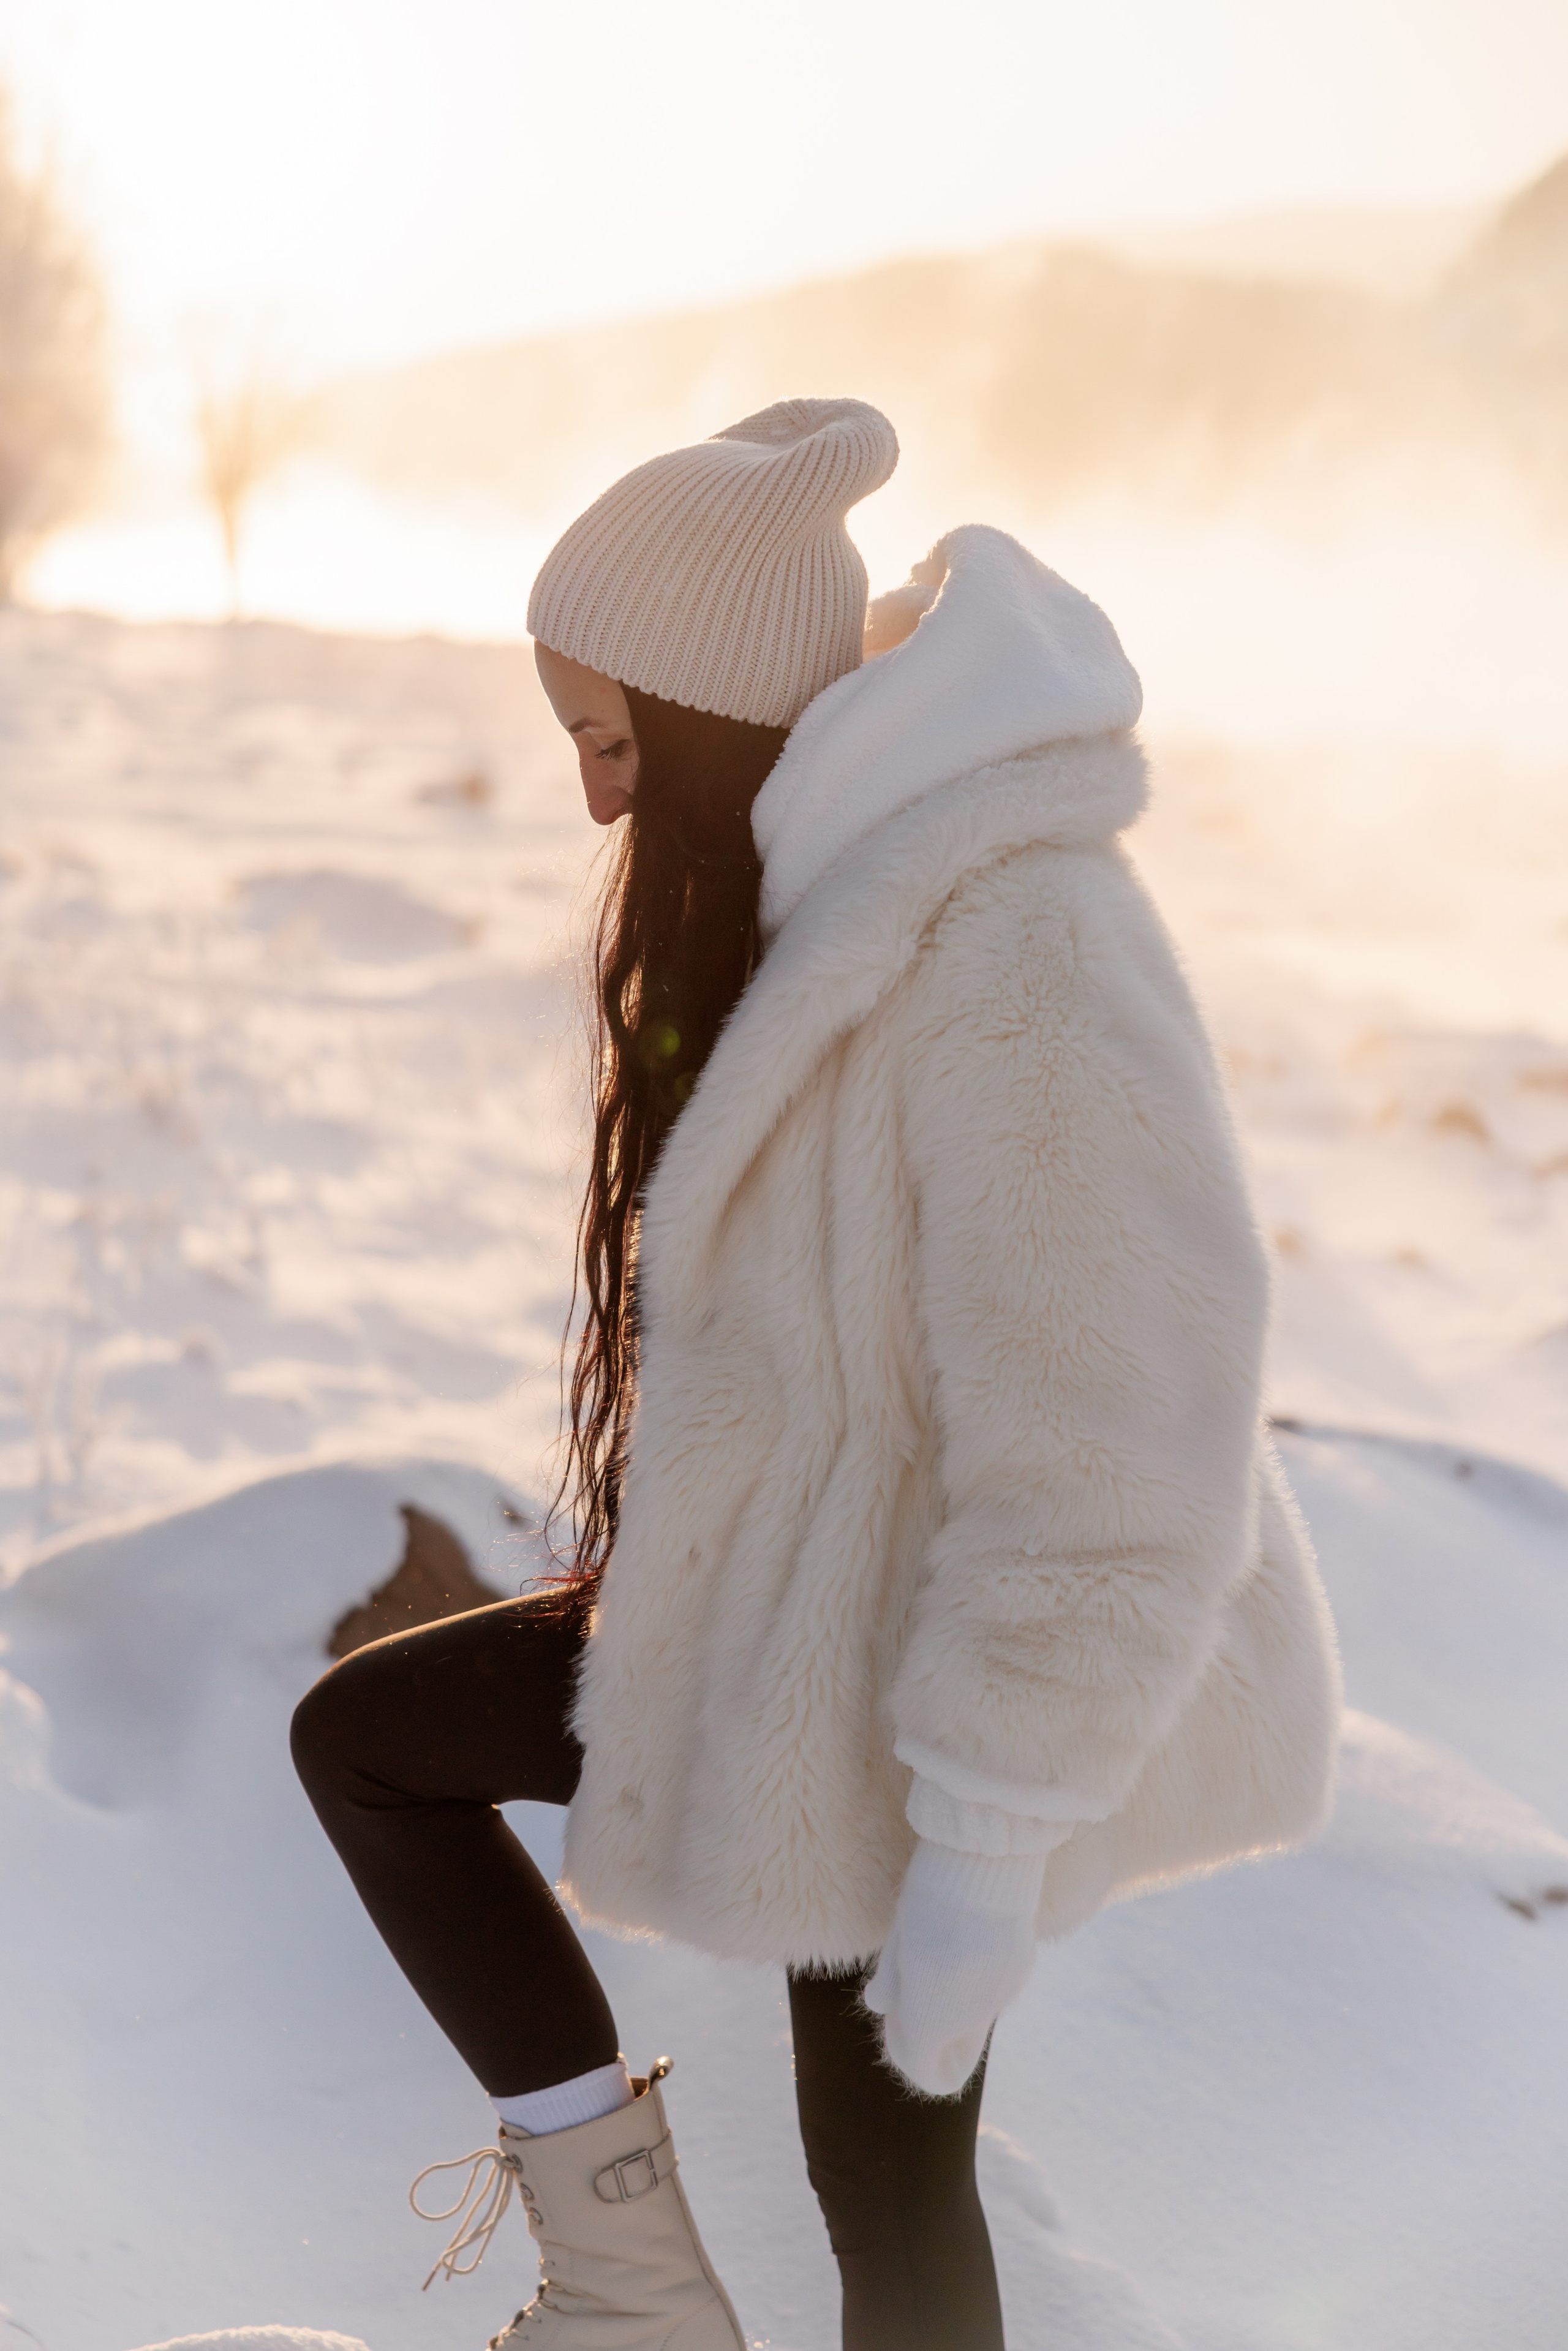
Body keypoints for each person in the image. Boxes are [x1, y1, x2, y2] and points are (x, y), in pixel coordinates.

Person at [291, 397, 1340, 2351]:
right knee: (375, 1745)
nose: (598, 803)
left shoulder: (1018, 926)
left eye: (609, 742)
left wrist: (990, 1826)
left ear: (700, 715)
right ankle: (628, 2289)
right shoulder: (797, 900)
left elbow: (1127, 1420)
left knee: (889, 2185)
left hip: (954, 1676)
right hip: (789, 1632)